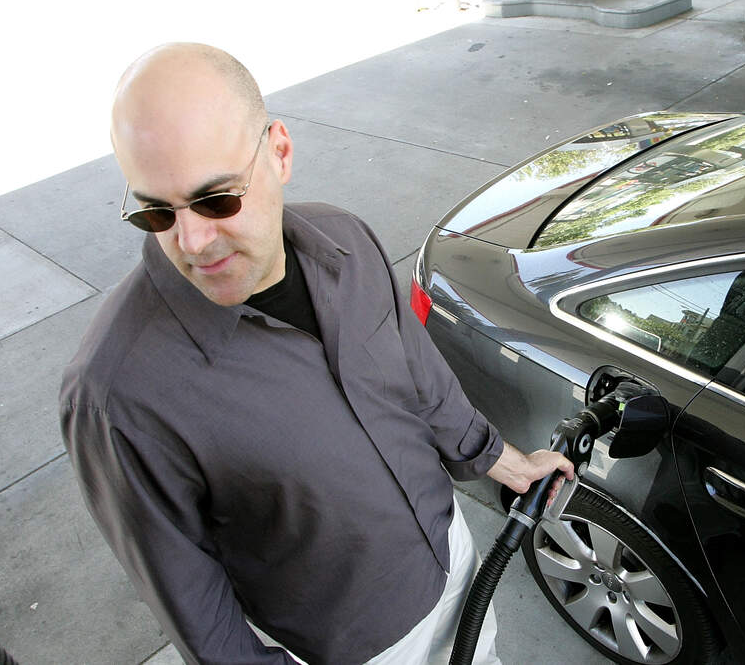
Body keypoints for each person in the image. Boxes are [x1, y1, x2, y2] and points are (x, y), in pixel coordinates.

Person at [59, 43, 573, 665]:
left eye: (217, 199)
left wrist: (505, 462)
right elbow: (191, 601)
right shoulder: (116, 394)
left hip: (455, 562)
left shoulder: (346, 240)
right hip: (358, 650)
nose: (192, 241)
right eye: (155, 213)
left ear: (279, 152)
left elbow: (419, 374)